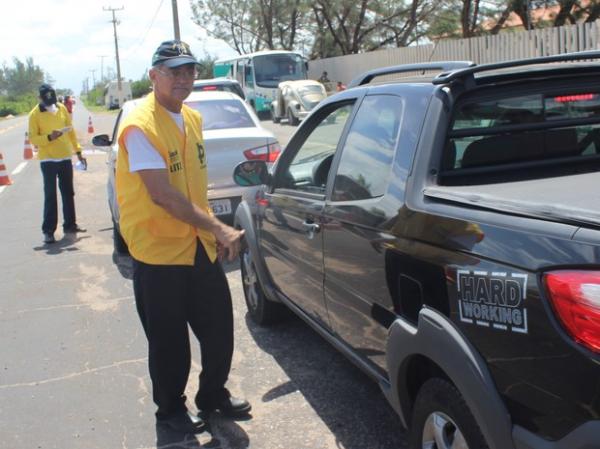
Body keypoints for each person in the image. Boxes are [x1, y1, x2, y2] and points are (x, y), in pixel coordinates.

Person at [115, 39, 250, 434]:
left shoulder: (191, 119)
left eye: (189, 70)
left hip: (196, 245)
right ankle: (171, 411)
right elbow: (162, 194)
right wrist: (220, 227)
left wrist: (210, 230)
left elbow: (192, 186)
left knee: (218, 328)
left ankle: (212, 397)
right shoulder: (139, 124)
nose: (183, 78)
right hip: (158, 252)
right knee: (169, 342)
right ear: (153, 75)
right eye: (173, 71)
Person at [28, 84, 87, 244]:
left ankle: (70, 225)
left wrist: (79, 152)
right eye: (46, 101)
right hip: (48, 160)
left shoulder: (61, 108)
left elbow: (71, 132)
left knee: (68, 193)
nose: (50, 104)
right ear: (39, 99)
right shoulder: (34, 115)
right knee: (50, 195)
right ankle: (48, 231)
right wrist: (49, 137)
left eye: (52, 100)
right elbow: (33, 138)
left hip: (65, 157)